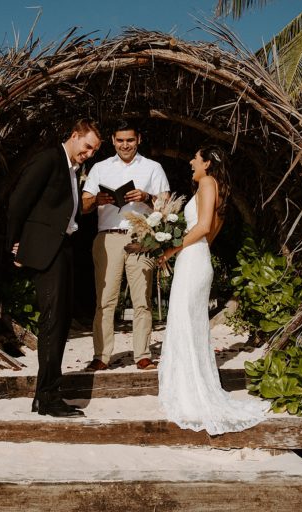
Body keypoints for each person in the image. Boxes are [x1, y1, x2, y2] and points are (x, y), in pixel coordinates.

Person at [157, 145, 268, 435]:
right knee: (190, 323)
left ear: (207, 163)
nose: (191, 161)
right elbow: (210, 232)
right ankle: (190, 385)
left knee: (184, 321)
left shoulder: (207, 183)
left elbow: (204, 226)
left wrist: (171, 249)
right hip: (199, 257)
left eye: (195, 157)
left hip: (193, 260)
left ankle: (190, 393)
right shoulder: (217, 188)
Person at [7, 118, 102, 417]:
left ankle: (43, 396)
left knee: (59, 324)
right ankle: (49, 398)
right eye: (87, 147)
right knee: (53, 325)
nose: (89, 154)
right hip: (47, 251)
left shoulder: (73, 169)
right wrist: (16, 244)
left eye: (94, 151)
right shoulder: (49, 159)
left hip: (63, 250)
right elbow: (18, 202)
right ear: (74, 136)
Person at [81, 120, 170, 371]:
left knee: (142, 299)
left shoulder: (153, 168)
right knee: (105, 300)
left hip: (141, 237)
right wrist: (98, 198)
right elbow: (84, 206)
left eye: (130, 140)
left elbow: (165, 208)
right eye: (120, 140)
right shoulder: (99, 168)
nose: (125, 145)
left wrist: (146, 197)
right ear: (112, 140)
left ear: (138, 139)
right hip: (108, 237)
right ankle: (101, 356)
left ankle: (142, 354)